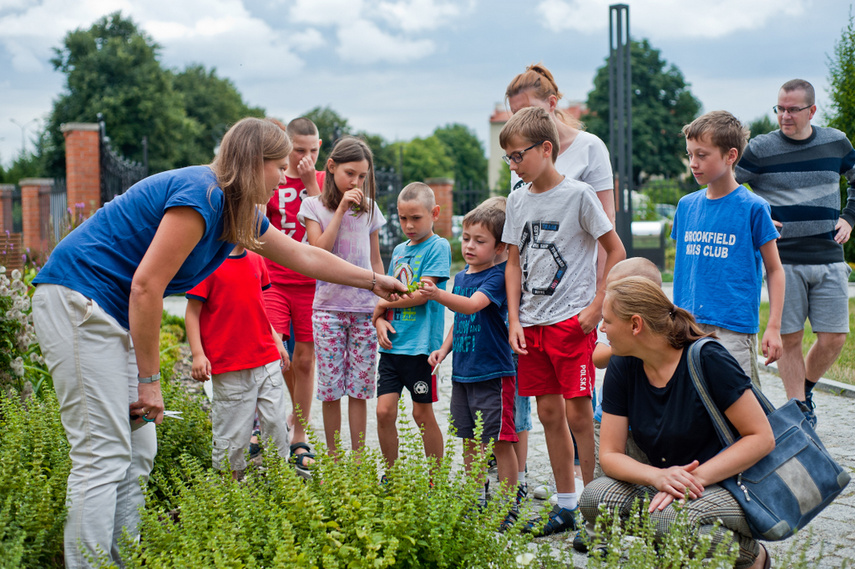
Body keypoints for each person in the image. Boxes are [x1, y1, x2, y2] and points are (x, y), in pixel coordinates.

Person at [30, 117, 407, 568]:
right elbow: (148, 286)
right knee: (103, 453)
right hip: (79, 303)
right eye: (278, 167)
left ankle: (121, 559)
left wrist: (373, 281)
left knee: (137, 452)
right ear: (253, 162)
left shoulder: (238, 211)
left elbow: (303, 255)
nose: (283, 177)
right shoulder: (203, 196)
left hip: (110, 314)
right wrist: (151, 380)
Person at [581, 277, 775, 569]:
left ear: (636, 325)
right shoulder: (623, 363)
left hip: (729, 484)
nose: (602, 329)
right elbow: (609, 456)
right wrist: (657, 477)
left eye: (607, 321)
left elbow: (762, 437)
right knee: (594, 498)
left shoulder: (708, 358)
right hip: (669, 482)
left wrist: (693, 480)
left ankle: (752, 556)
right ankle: (677, 542)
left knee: (666, 519)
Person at [501, 106, 626, 536]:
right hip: (531, 326)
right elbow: (513, 264)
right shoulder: (517, 199)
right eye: (509, 159)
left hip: (571, 324)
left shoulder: (578, 195)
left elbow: (616, 250)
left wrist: (596, 306)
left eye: (519, 156)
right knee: (549, 413)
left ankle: (595, 510)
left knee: (579, 415)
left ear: (546, 149)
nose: (514, 166)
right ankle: (567, 504)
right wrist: (515, 319)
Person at [736, 79, 855, 427]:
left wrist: (849, 217)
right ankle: (798, 411)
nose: (785, 116)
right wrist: (757, 215)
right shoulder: (759, 149)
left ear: (812, 110)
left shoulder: (836, 142)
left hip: (828, 253)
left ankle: (805, 388)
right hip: (781, 258)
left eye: (793, 110)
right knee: (789, 338)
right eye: (780, 109)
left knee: (835, 337)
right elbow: (726, 182)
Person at [420, 202, 518, 527]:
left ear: (500, 247)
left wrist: (436, 295)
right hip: (463, 373)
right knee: (468, 440)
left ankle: (506, 506)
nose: (470, 246)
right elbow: (458, 318)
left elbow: (472, 306)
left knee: (500, 441)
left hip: (493, 372)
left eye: (480, 240)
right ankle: (475, 499)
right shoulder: (461, 276)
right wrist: (443, 350)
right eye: (465, 238)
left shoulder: (498, 276)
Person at [672, 110, 785, 388]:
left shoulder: (753, 207)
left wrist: (774, 327)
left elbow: (775, 270)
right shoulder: (686, 206)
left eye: (702, 155)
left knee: (738, 406)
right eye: (689, 155)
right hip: (688, 326)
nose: (693, 164)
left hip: (732, 329)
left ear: (730, 156)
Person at [298, 137, 386, 455]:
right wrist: (341, 210)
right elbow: (317, 254)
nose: (357, 182)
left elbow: (376, 262)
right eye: (351, 173)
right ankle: (335, 460)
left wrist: (382, 305)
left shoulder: (371, 210)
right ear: (331, 167)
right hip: (328, 310)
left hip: (364, 310)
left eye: (362, 176)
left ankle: (359, 460)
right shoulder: (312, 206)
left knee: (360, 389)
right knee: (331, 388)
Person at [184, 246, 291, 479]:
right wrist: (198, 354)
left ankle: (281, 481)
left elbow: (259, 307)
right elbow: (192, 312)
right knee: (233, 433)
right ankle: (230, 492)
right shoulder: (208, 263)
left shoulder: (256, 260)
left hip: (266, 358)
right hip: (230, 365)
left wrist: (278, 342)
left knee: (275, 423)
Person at [373, 182, 451, 471]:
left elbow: (421, 295)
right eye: (403, 218)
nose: (408, 225)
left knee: (422, 414)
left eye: (416, 218)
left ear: (434, 213)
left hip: (421, 350)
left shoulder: (438, 247)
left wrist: (383, 307)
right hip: (393, 348)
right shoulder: (397, 251)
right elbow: (389, 295)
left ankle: (436, 478)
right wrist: (380, 319)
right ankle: (391, 476)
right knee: (383, 412)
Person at [263, 117, 324, 467]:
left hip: (310, 283)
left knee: (304, 359)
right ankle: (266, 423)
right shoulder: (272, 177)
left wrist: (308, 182)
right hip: (274, 279)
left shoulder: (317, 181)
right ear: (286, 145)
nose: (306, 157)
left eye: (313, 151)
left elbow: (327, 224)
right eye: (299, 150)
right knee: (274, 351)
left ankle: (299, 430)